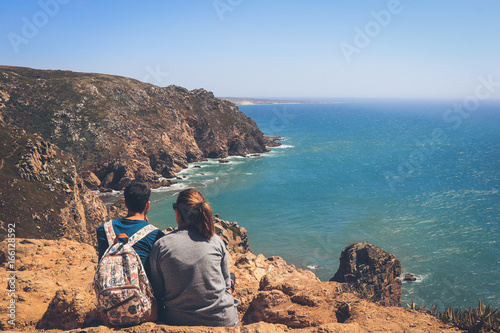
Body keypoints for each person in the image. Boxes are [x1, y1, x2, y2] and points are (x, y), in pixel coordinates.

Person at [149, 189, 239, 327]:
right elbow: (226, 286)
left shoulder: (161, 245)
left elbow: (158, 291)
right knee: (231, 279)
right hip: (222, 321)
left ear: (178, 212)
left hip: (177, 321)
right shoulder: (215, 240)